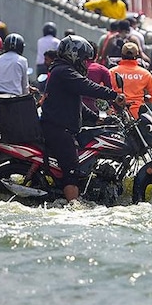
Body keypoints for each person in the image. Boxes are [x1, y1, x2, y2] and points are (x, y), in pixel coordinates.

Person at [41, 35, 126, 201]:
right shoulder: (64, 71)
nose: (85, 63)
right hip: (58, 129)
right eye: (84, 59)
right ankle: (73, 208)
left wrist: (97, 119)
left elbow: (76, 103)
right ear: (74, 55)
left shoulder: (62, 70)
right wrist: (113, 95)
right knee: (72, 171)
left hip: (62, 127)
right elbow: (86, 86)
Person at [109, 42, 152, 118]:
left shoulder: (111, 72)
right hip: (137, 116)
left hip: (116, 116)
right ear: (137, 56)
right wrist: (146, 99)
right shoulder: (145, 74)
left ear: (122, 55)